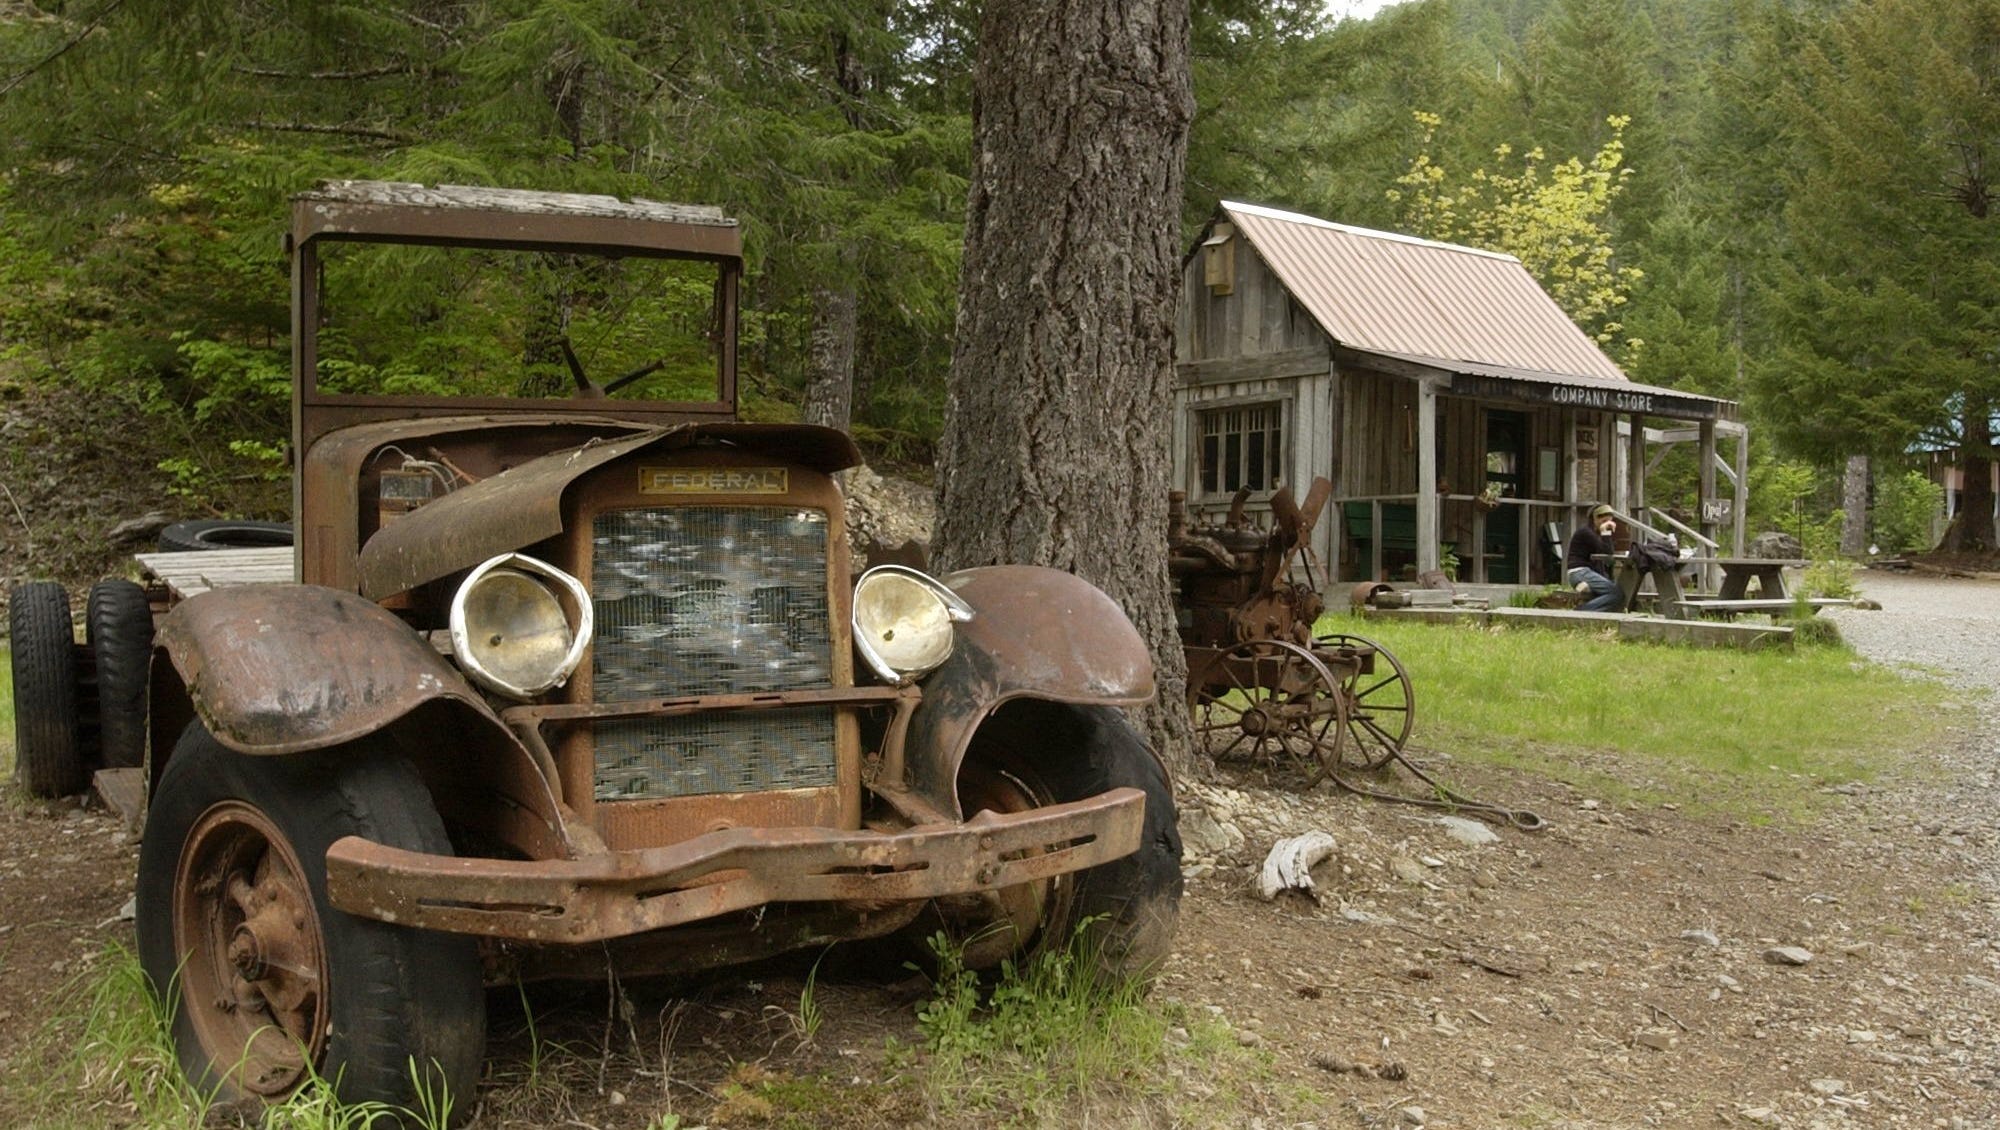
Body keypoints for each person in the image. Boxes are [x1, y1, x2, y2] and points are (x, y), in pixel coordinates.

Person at [1565, 504, 1623, 612]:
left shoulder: (1596, 534)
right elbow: (1607, 551)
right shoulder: (1586, 532)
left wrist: (1606, 532)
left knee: (1610, 592)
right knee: (1616, 593)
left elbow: (1608, 554)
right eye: (1604, 521)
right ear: (1595, 518)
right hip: (1580, 572)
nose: (1606, 524)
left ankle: (1587, 593)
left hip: (1586, 572)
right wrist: (1605, 532)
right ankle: (1582, 612)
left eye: (1609, 522)